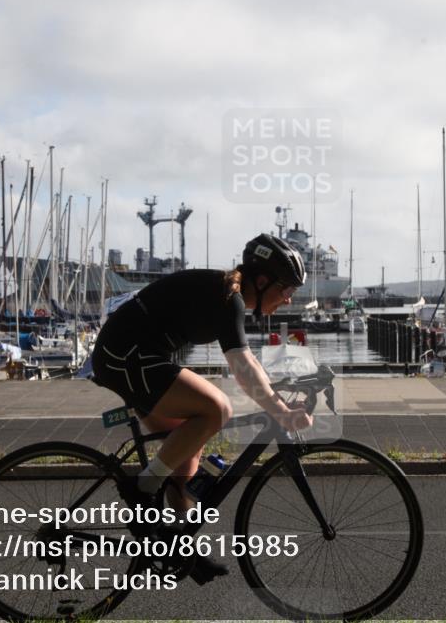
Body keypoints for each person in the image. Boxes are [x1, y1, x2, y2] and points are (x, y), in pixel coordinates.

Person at [90, 234, 314, 578]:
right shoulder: (228, 296)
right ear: (263, 279)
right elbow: (242, 367)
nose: (287, 300)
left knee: (183, 463)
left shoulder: (227, 293)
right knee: (216, 409)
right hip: (127, 357)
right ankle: (141, 489)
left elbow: (247, 360)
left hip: (133, 357)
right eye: (286, 291)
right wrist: (279, 410)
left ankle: (180, 550)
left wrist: (274, 396)